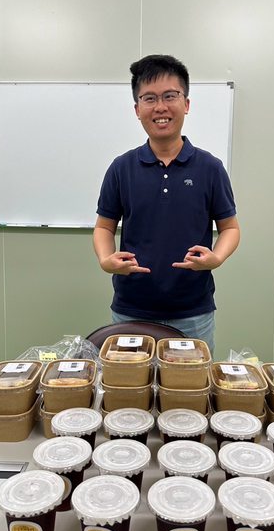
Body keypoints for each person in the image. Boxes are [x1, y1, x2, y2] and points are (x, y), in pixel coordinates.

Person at [93, 54, 240, 356]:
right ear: (137, 109)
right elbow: (104, 227)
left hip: (193, 312)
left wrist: (217, 258)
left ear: (186, 104)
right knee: (129, 383)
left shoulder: (210, 168)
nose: (160, 107)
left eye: (170, 96)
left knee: (191, 383)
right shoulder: (121, 168)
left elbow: (230, 228)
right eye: (149, 98)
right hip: (131, 309)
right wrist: (106, 259)